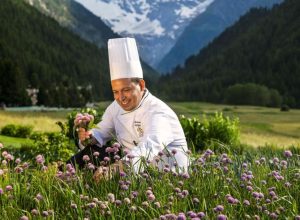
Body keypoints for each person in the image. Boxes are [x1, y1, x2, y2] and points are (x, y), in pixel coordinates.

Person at [67, 37, 189, 174]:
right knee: (93, 151)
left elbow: (149, 147)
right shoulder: (115, 108)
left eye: (126, 90)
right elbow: (101, 132)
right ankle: (60, 177)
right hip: (134, 175)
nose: (121, 97)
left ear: (141, 85)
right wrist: (88, 135)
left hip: (169, 177)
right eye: (116, 92)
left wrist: (114, 170)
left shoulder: (158, 111)